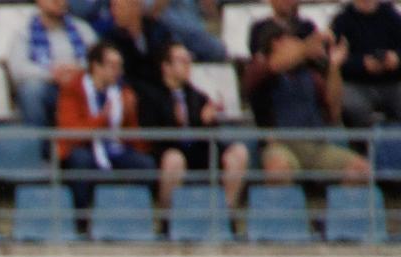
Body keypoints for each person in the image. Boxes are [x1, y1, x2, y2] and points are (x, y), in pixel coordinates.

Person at [247, 0, 374, 182]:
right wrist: (309, 46)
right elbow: (275, 66)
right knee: (278, 168)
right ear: (275, 44)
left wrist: (334, 67)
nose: (295, 45)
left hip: (315, 144)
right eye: (289, 41)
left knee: (361, 169)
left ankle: (340, 209)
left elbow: (334, 110)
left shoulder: (311, 77)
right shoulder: (259, 71)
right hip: (280, 144)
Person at [144, 41, 251, 213]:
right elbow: (156, 134)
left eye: (189, 60)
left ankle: (226, 214)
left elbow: (208, 131)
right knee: (174, 160)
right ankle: (168, 219)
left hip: (199, 150)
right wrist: (178, 121)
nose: (188, 65)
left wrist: (208, 120)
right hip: (171, 150)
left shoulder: (197, 96)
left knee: (239, 152)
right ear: (166, 67)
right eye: (181, 60)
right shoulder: (153, 96)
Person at [57, 43, 157, 205]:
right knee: (81, 161)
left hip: (113, 148)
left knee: (145, 165)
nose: (118, 72)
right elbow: (71, 132)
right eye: (113, 66)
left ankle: (134, 217)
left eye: (120, 66)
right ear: (96, 66)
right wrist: (102, 118)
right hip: (83, 146)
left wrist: (131, 112)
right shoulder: (73, 89)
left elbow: (131, 134)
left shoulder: (122, 92)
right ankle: (82, 222)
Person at [8, 0, 92, 126]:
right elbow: (18, 69)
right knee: (31, 91)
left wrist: (78, 69)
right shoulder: (24, 32)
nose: (59, 2)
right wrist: (52, 74)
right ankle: (38, 143)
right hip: (48, 87)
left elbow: (98, 59)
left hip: (80, 86)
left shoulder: (82, 28)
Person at [98, 0, 173, 116]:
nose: (113, 12)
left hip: (162, 91)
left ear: (135, 7)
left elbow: (168, 61)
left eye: (119, 7)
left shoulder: (158, 32)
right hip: (134, 94)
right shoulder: (110, 39)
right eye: (112, 7)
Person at [333, 0, 401, 125]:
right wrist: (362, 64)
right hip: (357, 83)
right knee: (352, 106)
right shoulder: (342, 21)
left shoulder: (392, 16)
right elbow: (336, 60)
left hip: (392, 81)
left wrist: (396, 58)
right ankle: (364, 140)